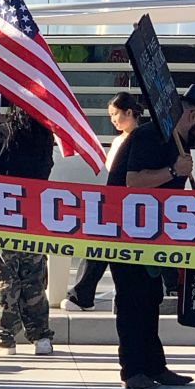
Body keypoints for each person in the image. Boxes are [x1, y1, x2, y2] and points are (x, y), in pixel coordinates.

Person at [109, 83, 195, 389]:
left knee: (150, 300)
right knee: (133, 302)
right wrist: (173, 170)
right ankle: (132, 370)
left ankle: (154, 366)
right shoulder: (150, 135)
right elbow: (134, 182)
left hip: (152, 236)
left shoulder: (177, 142)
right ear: (191, 115)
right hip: (125, 235)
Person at [0, 107, 55, 356]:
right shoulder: (44, 138)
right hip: (34, 216)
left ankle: (3, 338)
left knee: (2, 276)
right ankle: (41, 337)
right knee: (34, 277)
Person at [60, 91, 144, 312]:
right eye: (110, 115)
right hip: (113, 201)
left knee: (101, 249)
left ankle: (82, 294)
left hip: (128, 205)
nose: (113, 119)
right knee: (100, 248)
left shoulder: (141, 139)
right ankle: (82, 294)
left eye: (115, 114)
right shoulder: (119, 139)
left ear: (129, 112)